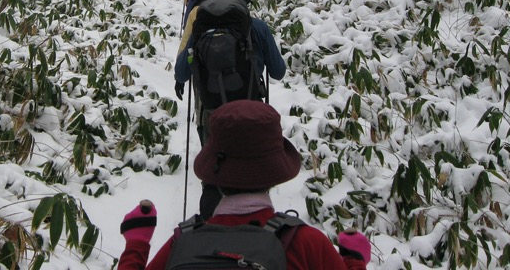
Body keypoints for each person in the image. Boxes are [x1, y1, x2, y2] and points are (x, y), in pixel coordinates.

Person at [117, 100, 372, 270]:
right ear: (275, 173)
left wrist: (137, 243)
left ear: (212, 176)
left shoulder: (181, 243)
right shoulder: (306, 244)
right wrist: (354, 261)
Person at [175, 0, 286, 218]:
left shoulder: (202, 26)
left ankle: (209, 232)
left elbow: (181, 72)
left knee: (213, 178)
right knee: (249, 175)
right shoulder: (256, 27)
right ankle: (250, 231)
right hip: (250, 114)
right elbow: (278, 71)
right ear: (243, 0)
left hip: (212, 114)